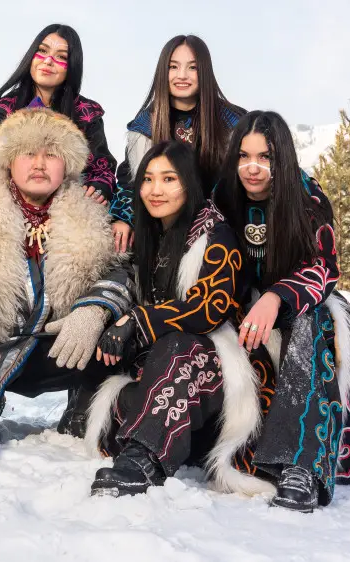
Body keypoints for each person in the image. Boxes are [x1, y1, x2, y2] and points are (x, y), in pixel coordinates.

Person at [0, 108, 134, 456]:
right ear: (9, 160)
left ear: (67, 164)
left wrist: (94, 310)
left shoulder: (92, 209)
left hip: (61, 345)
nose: (39, 164)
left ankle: (84, 406)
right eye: (28, 153)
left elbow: (123, 270)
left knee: (122, 342)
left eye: (51, 154)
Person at [211, 110, 350, 512]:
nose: (252, 167)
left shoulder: (307, 198)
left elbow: (325, 266)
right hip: (239, 302)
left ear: (280, 157)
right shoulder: (222, 196)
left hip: (303, 300)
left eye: (264, 157)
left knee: (309, 324)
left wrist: (276, 296)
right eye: (244, 156)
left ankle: (300, 464)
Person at [84, 141, 250, 497]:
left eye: (169, 179)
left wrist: (138, 320)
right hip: (163, 370)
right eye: (147, 179)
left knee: (180, 347)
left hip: (217, 368)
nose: (155, 190)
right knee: (118, 390)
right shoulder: (152, 235)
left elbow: (209, 310)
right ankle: (155, 435)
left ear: (189, 183)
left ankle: (142, 459)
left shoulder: (216, 235)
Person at [110, 35, 245, 252]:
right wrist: (123, 219)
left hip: (222, 230)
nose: (182, 75)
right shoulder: (145, 125)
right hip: (162, 230)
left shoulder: (233, 122)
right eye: (173, 67)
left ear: (205, 72)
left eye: (192, 68)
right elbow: (130, 180)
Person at [0, 24, 117, 210]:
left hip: (67, 209)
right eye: (42, 51)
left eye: (61, 57)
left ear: (72, 66)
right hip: (9, 207)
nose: (48, 61)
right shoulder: (2, 110)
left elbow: (102, 169)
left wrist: (98, 188)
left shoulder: (87, 113)